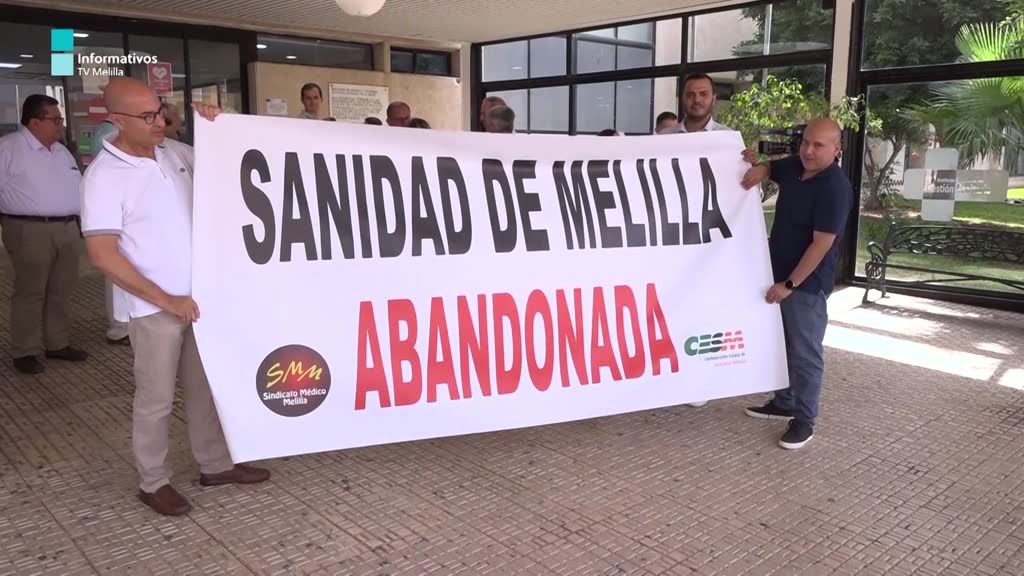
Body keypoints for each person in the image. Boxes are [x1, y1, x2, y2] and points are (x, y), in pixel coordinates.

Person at [80, 77, 270, 515]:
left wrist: (220, 126)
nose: (159, 122)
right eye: (146, 115)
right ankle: (153, 481)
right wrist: (168, 300)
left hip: (199, 302)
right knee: (156, 398)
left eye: (160, 111)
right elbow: (103, 255)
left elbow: (231, 166)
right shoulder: (103, 176)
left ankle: (215, 465)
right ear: (117, 121)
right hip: (154, 308)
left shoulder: (176, 154)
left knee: (205, 389)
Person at [740, 118, 853, 450]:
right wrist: (757, 166)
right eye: (805, 142)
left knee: (804, 353)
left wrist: (789, 284)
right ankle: (784, 401)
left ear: (836, 149)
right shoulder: (796, 166)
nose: (808, 150)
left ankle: (804, 420)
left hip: (806, 285)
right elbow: (770, 169)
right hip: (775, 273)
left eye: (818, 145)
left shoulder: (835, 188)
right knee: (779, 343)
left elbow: (821, 244)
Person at [0, 94, 89, 374]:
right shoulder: (8, 149)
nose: (61, 124)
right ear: (35, 121)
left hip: (67, 228)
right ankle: (25, 350)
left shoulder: (61, 151)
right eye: (56, 119)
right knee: (31, 291)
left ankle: (57, 343)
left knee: (61, 289)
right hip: (28, 229)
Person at [659, 73, 730, 135]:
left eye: (703, 94)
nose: (697, 100)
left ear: (713, 99)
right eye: (690, 95)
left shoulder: (728, 137)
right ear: (683, 98)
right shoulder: (665, 136)